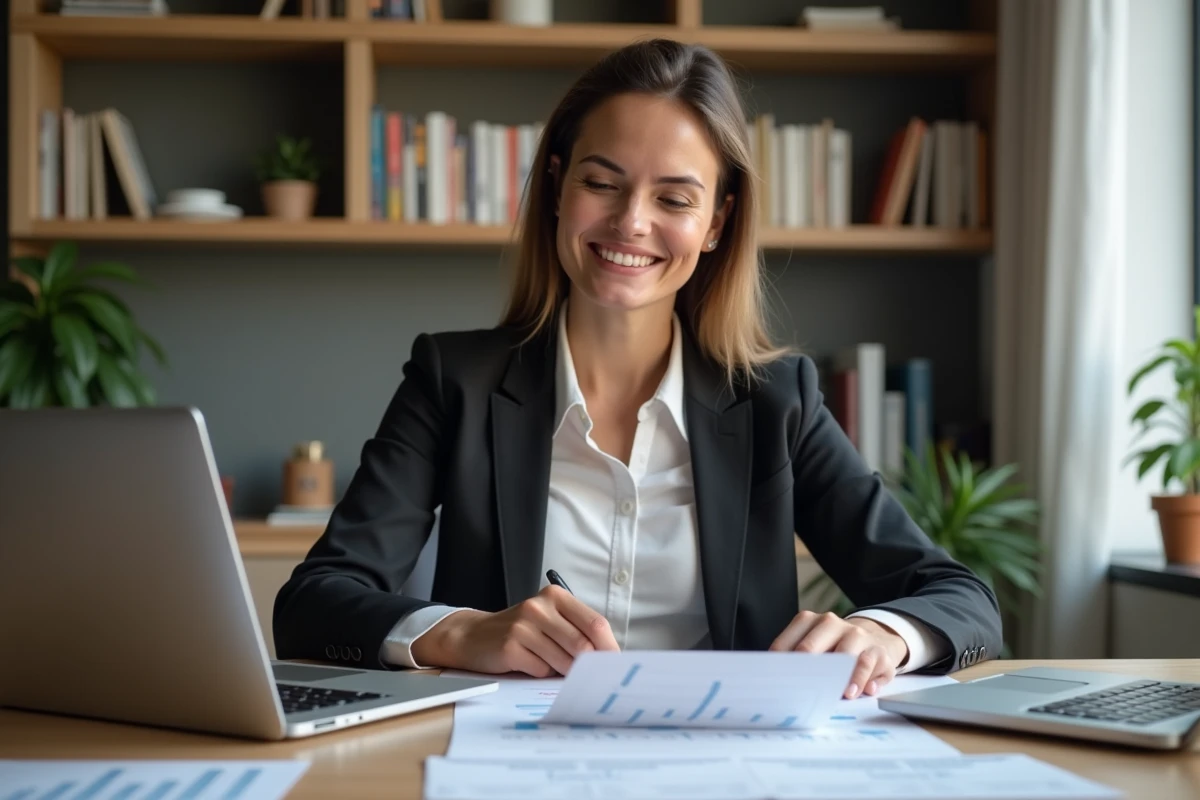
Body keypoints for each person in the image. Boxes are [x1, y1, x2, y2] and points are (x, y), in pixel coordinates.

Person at [273, 38, 1002, 700]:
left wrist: (884, 635)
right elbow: (312, 604)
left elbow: (960, 599)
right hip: (511, 762)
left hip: (731, 769)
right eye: (603, 183)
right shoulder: (452, 381)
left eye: (675, 198)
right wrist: (461, 632)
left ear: (715, 222)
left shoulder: (778, 402)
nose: (631, 222)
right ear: (557, 187)